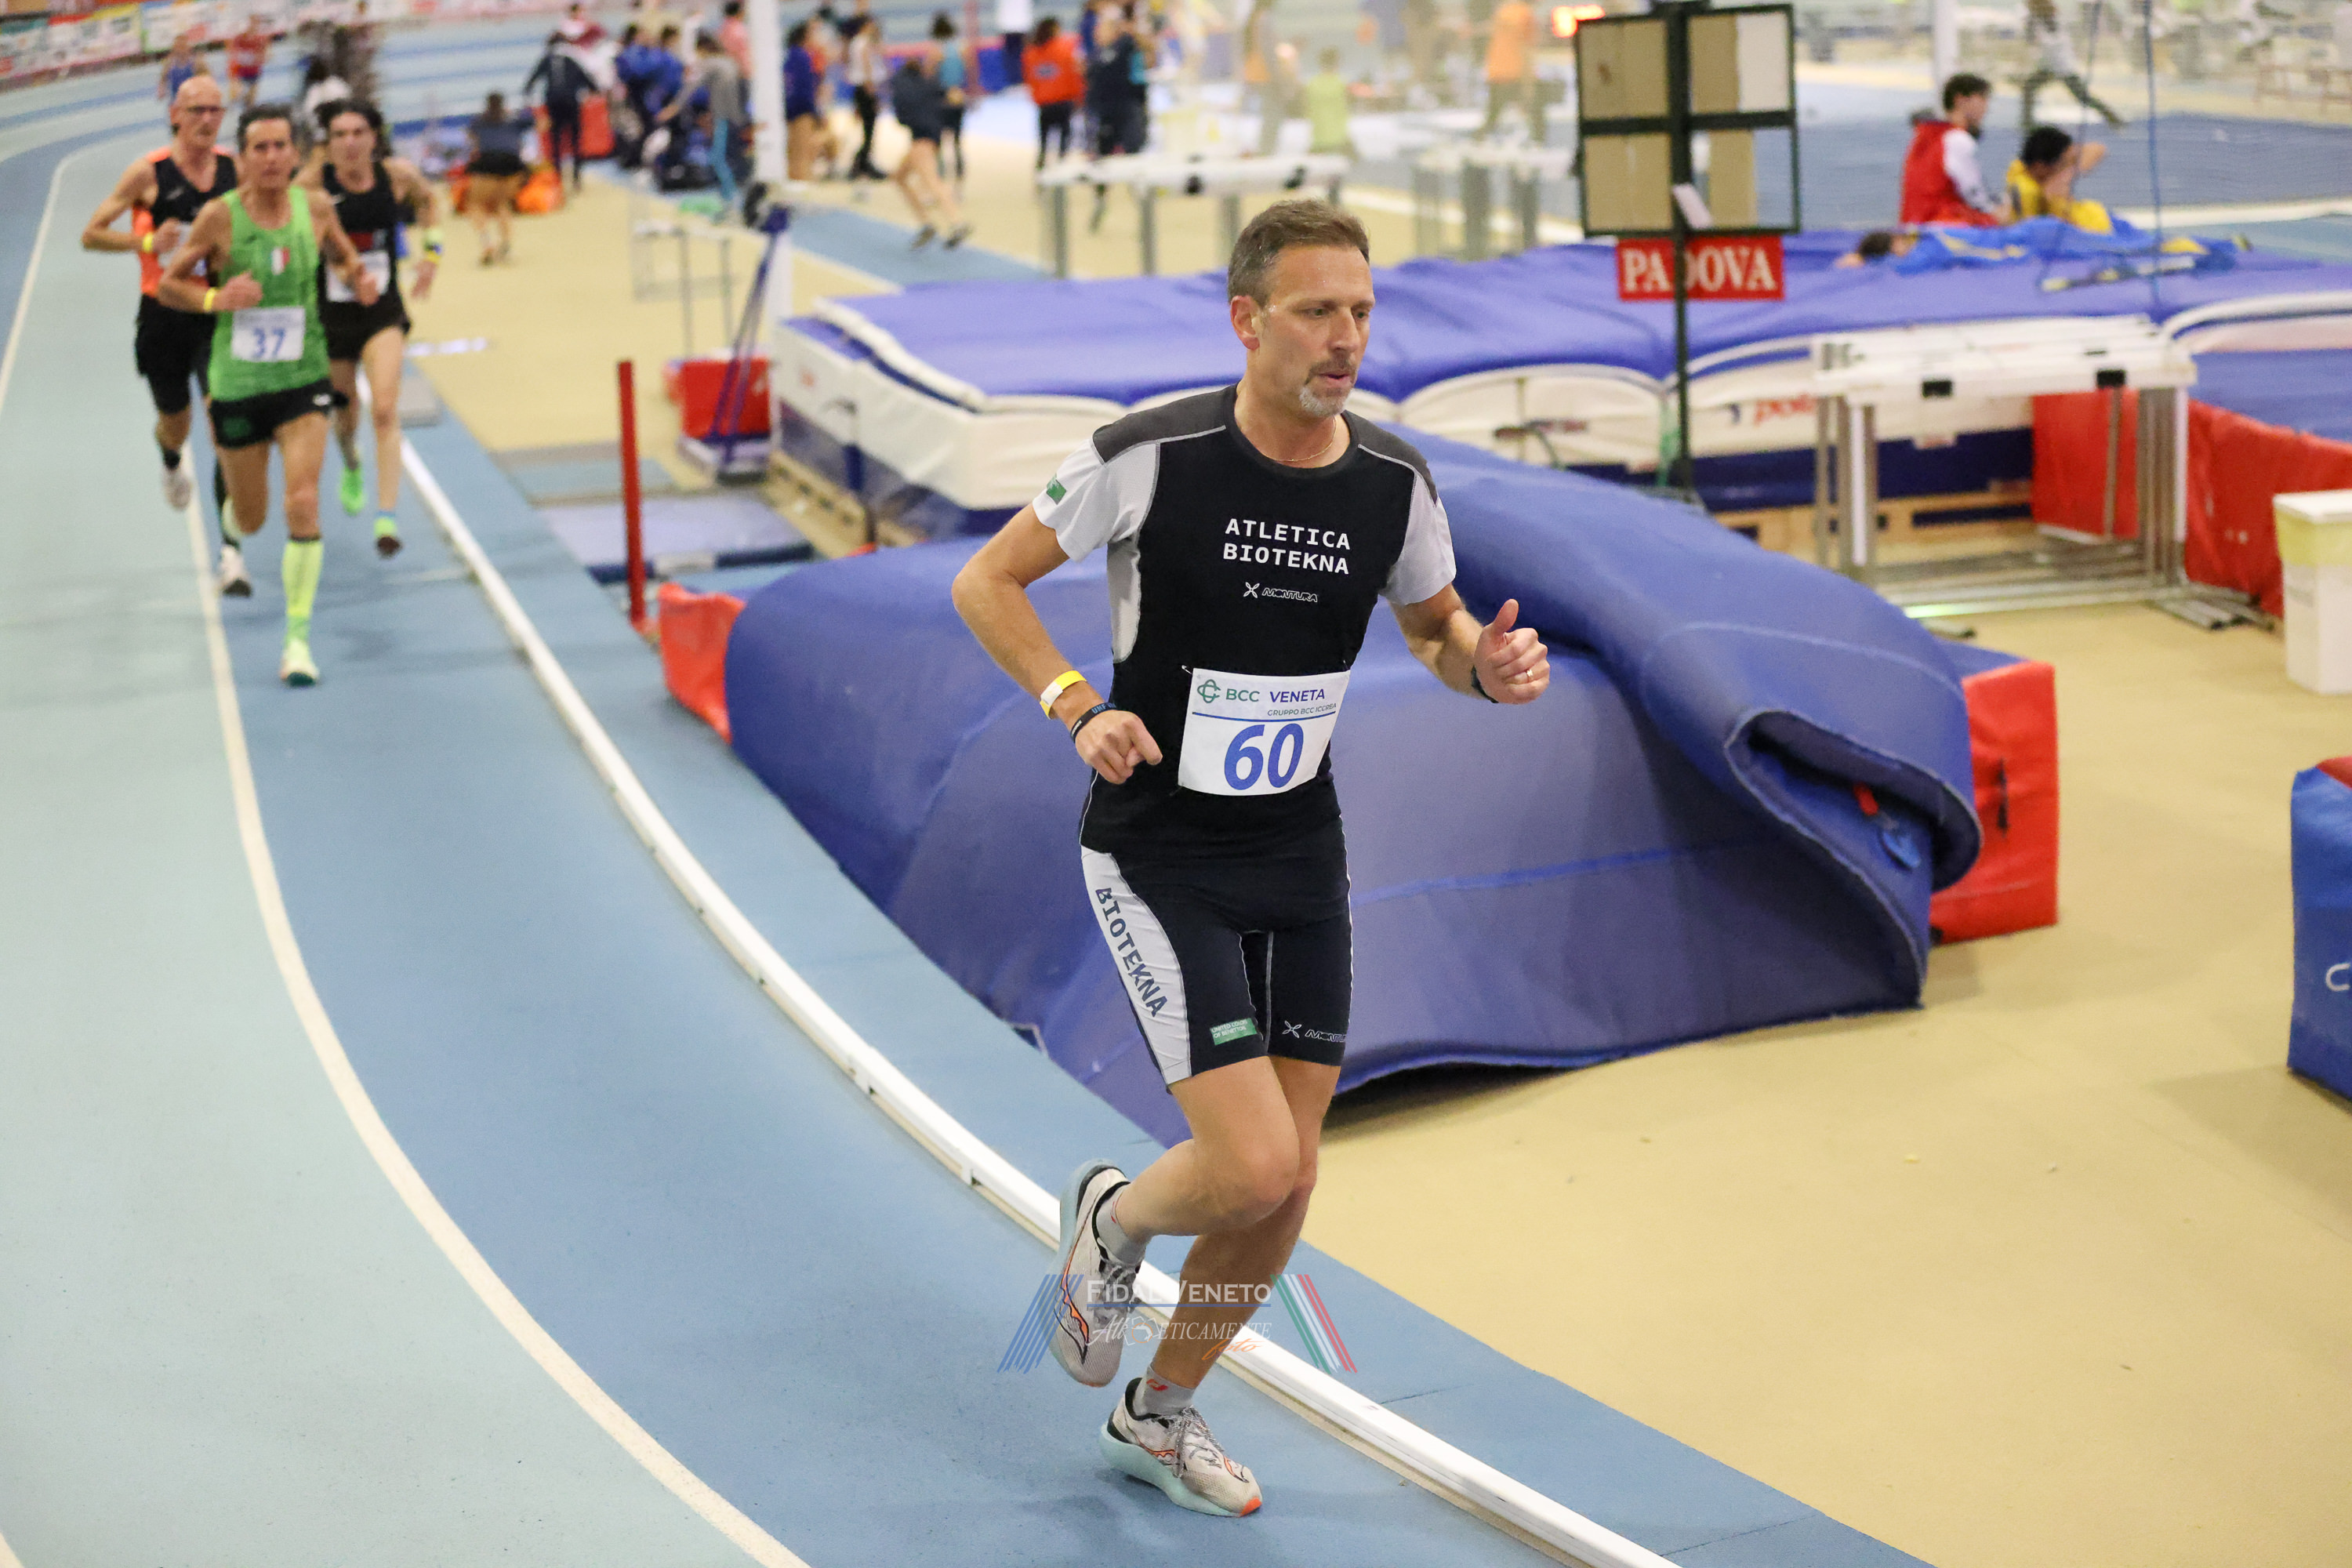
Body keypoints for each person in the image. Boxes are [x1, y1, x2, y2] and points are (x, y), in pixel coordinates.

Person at [949, 200, 1548, 1519]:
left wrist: (1488, 670)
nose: (1347, 338)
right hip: (1159, 849)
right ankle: (1113, 1221)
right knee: (1254, 1164)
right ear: (1247, 319)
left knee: (1293, 1178)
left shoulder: (1392, 482)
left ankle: (1156, 1411)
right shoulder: (1147, 457)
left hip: (1297, 850)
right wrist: (1073, 705)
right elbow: (987, 582)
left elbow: (1437, 629)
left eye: (1362, 312)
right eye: (1318, 311)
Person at [158, 102, 379, 687]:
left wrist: (357, 277)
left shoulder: (316, 207)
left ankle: (297, 642)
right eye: (260, 148)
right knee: (252, 519)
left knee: (302, 503)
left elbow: (340, 252)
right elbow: (170, 284)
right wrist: (216, 299)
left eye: (282, 146)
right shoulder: (219, 218)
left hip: (303, 378)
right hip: (239, 385)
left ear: (296, 154)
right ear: (243, 158)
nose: (273, 157)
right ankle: (234, 510)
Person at [82, 74, 238, 532]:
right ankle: (170, 460)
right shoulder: (148, 173)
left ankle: (231, 547)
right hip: (163, 317)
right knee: (177, 425)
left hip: (215, 311)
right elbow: (91, 234)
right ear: (175, 116)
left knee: (223, 424)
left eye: (214, 110)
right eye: (196, 110)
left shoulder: (234, 169)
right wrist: (147, 241)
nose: (206, 119)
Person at [303, 100, 440, 558]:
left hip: (383, 312)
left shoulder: (396, 177)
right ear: (328, 143)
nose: (350, 143)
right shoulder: (311, 186)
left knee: (384, 409)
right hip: (332, 318)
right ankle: (351, 463)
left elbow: (430, 203)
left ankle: (387, 517)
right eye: (340, 135)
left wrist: (432, 256)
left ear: (374, 138)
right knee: (345, 417)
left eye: (358, 133)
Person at [1900, 72, 2005, 227]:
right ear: (1960, 100)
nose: (1986, 107)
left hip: (1914, 225)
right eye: (1982, 99)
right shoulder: (1957, 139)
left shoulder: (1924, 136)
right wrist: (1998, 213)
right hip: (1942, 226)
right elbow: (1975, 195)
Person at [890, 47, 971, 245]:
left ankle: (957, 222)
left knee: (932, 180)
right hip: (928, 138)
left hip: (922, 141)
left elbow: (901, 117)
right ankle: (926, 223)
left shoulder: (904, 85)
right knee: (899, 177)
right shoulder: (929, 84)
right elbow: (955, 97)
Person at [2020, 0, 2124, 127]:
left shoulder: (2051, 20)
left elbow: (2046, 40)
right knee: (2028, 89)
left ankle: (2113, 118)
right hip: (2048, 66)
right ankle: (2027, 123)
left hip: (2062, 66)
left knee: (2083, 97)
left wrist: (2031, 24)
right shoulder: (2039, 20)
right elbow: (2032, 41)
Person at [464, 91, 533, 263]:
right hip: (512, 164)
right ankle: (506, 245)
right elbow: (541, 124)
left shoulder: (478, 122)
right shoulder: (514, 120)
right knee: (502, 204)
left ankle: (486, 242)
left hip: (488, 162)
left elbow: (472, 141)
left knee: (475, 204)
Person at [2006, 123, 2114, 232]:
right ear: (2041, 167)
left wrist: (2066, 176)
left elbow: (2097, 149)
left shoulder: (2025, 165)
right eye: (2063, 163)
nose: (2066, 166)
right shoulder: (2026, 190)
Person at [526, 30, 598, 189]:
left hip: (554, 105)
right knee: (575, 142)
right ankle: (576, 178)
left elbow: (530, 83)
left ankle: (558, 179)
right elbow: (590, 82)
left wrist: (530, 100)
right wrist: (590, 92)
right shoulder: (571, 60)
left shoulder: (547, 60)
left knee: (556, 142)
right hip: (571, 104)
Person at [690, 32, 749, 212]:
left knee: (718, 158)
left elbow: (692, 88)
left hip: (724, 117)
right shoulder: (727, 64)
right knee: (726, 158)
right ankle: (730, 197)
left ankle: (731, 198)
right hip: (731, 116)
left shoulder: (713, 64)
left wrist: (674, 108)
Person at [785, 20, 840, 179]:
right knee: (804, 148)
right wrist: (815, 110)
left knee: (796, 149)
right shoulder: (805, 57)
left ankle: (799, 177)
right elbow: (807, 86)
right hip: (804, 106)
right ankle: (804, 178)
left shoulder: (792, 55)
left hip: (795, 105)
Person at [1479, 0, 1541, 141]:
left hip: (1496, 72)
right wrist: (1529, 82)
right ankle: (1537, 143)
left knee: (1493, 114)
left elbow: (1491, 30)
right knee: (1534, 113)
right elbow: (1526, 49)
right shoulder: (1526, 15)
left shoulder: (1505, 11)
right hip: (1516, 73)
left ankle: (1479, 140)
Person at [1026, 15, 1083, 168]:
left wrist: (1037, 96)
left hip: (1044, 103)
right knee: (1064, 139)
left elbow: (1030, 78)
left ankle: (1042, 163)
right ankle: (1060, 165)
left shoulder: (1032, 52)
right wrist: (1078, 96)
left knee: (1044, 140)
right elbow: (1073, 75)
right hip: (1063, 100)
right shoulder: (1065, 48)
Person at [844, 14, 887, 180]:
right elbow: (866, 65)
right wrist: (871, 89)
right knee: (869, 128)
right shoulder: (863, 43)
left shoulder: (855, 43)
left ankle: (863, 162)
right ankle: (861, 163)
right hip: (865, 88)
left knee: (868, 128)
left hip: (860, 88)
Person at [931, 12, 968, 183]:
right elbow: (969, 72)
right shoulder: (961, 48)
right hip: (958, 96)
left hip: (942, 97)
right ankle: (959, 171)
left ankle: (940, 173)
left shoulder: (936, 51)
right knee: (957, 139)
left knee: (938, 138)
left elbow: (931, 75)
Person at [1302, 45, 1352, 155]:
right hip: (1339, 138)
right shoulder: (1342, 83)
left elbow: (1306, 107)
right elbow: (1348, 104)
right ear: (1337, 62)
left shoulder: (1311, 84)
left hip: (1318, 139)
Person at [226, 16, 270, 110]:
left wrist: (258, 58)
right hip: (239, 72)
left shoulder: (260, 39)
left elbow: (266, 57)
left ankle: (247, 108)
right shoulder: (239, 38)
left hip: (254, 72)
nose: (253, 26)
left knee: (250, 102)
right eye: (252, 23)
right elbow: (232, 53)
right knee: (237, 96)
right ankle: (236, 102)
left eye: (256, 23)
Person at [159, 34, 202, 112]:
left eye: (183, 47)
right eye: (178, 47)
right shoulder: (169, 63)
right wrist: (161, 89)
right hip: (176, 102)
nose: (181, 50)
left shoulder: (196, 62)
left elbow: (207, 79)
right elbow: (163, 78)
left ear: (188, 48)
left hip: (193, 101)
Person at [996, 0, 1033, 87]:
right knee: (1014, 57)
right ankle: (1015, 81)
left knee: (1018, 57)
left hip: (1018, 26)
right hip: (1013, 26)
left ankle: (1018, 81)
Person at [718, 0, 753, 74]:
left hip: (727, 69)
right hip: (739, 70)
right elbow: (742, 53)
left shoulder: (722, 29)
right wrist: (748, 71)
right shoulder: (738, 30)